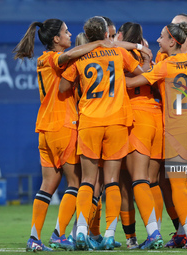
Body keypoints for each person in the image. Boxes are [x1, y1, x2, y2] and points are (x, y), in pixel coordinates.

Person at [13, 18, 113, 252]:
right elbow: (68, 56)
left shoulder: (42, 60)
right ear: (56, 39)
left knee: (48, 185)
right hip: (63, 125)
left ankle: (34, 238)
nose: (70, 35)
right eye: (66, 32)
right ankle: (58, 234)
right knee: (77, 183)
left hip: (45, 129)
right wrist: (99, 43)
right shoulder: (53, 58)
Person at [59, 16, 145, 251]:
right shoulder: (118, 54)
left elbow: (63, 87)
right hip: (116, 121)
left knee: (87, 180)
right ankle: (109, 234)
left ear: (86, 36)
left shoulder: (79, 56)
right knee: (112, 181)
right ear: (107, 33)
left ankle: (82, 230)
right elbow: (141, 72)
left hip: (89, 122)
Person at [126, 22, 187, 249]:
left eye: (162, 37)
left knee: (178, 183)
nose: (158, 40)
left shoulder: (165, 65)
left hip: (179, 127)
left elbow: (133, 82)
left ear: (173, 42)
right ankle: (184, 232)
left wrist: (106, 78)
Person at [115, 22, 164, 250]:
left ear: (122, 35)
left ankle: (145, 235)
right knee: (152, 182)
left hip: (134, 118)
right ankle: (162, 230)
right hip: (157, 117)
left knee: (133, 181)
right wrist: (146, 57)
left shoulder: (118, 53)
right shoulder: (148, 57)